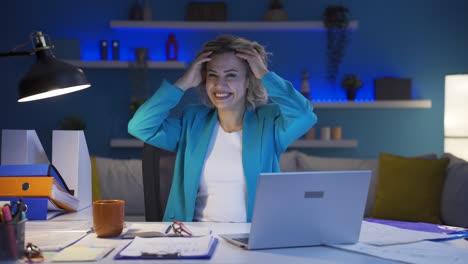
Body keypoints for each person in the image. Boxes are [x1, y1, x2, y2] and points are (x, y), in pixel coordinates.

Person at [128, 35, 317, 222]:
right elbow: (140, 126)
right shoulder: (193, 121)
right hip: (194, 237)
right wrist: (183, 83)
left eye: (231, 75)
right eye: (213, 75)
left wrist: (263, 73)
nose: (220, 85)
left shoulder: (268, 122)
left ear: (248, 81)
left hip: (251, 238)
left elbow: (304, 115)